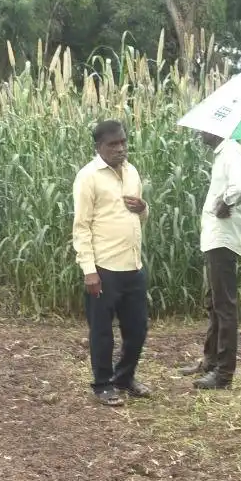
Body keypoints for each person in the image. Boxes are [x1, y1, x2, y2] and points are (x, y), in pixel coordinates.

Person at [73, 119, 150, 407]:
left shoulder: (132, 172)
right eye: (113, 144)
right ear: (99, 147)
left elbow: (139, 216)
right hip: (104, 268)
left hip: (133, 265)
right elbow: (81, 226)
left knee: (137, 329)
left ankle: (125, 378)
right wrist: (89, 271)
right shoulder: (88, 177)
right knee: (102, 331)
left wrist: (144, 208)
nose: (120, 148)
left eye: (123, 142)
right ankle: (103, 384)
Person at [189, 132, 241, 390]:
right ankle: (210, 361)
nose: (199, 133)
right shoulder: (232, 152)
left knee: (224, 305)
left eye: (203, 128)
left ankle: (223, 374)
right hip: (218, 235)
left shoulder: (230, 151)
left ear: (217, 129)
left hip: (222, 236)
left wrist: (228, 204)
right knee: (214, 301)